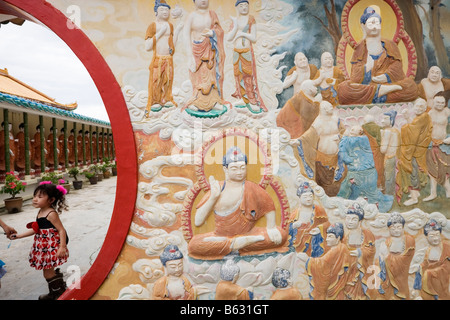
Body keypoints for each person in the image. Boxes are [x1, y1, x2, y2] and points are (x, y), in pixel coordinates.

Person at [188, 146, 288, 260]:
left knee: (281, 235)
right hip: (220, 237)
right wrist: (213, 197)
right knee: (194, 245)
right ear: (225, 169)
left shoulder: (252, 188)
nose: (240, 172)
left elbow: (269, 205)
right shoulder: (217, 188)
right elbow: (198, 221)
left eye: (242, 168)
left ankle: (236, 245)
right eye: (234, 168)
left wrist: (271, 228)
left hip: (250, 234)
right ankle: (235, 244)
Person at [337, 6, 418, 105]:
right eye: (371, 23)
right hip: (366, 86)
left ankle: (377, 93)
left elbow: (398, 69)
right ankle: (380, 91)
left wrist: (387, 76)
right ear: (363, 26)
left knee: (411, 86)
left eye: (377, 23)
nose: (374, 26)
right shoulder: (360, 48)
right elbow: (355, 77)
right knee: (343, 89)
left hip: (386, 84)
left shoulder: (390, 45)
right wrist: (367, 68)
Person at [11, 182, 69, 300]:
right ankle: (57, 290)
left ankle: (58, 292)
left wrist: (62, 247)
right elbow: (36, 229)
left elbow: (61, 230)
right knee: (47, 271)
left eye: (40, 197)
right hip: (43, 246)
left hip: (50, 246)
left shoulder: (51, 214)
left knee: (47, 272)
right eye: (34, 196)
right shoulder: (40, 212)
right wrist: (19, 236)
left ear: (51, 200)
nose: (35, 199)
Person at [293, 100, 346, 197]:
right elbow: (307, 137)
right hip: (322, 159)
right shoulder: (318, 122)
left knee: (336, 180)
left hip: (337, 158)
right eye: (330, 107)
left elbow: (344, 132)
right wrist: (299, 141)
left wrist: (339, 137)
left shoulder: (336, 120)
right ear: (325, 110)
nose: (332, 108)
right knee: (324, 182)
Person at [183, 0, 228, 112]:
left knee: (210, 76)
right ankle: (196, 102)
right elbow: (185, 35)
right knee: (199, 78)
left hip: (210, 50)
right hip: (197, 51)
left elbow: (220, 31)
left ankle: (213, 102)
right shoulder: (191, 16)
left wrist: (213, 33)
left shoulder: (212, 15)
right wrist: (189, 56)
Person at [337, 125, 393, 213]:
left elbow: (342, 150)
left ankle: (370, 208)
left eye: (353, 129)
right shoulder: (364, 139)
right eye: (351, 129)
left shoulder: (360, 140)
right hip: (366, 172)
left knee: (352, 189)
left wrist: (344, 136)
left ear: (360, 132)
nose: (351, 130)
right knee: (364, 192)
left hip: (361, 172)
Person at [145, 0, 183, 115]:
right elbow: (147, 46)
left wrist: (177, 31)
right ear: (156, 11)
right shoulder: (153, 26)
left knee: (167, 80)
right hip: (158, 58)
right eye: (162, 9)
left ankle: (166, 99)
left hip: (168, 58)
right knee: (156, 80)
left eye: (167, 9)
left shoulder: (170, 25)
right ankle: (155, 100)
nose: (165, 12)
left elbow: (172, 44)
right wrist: (160, 32)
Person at [227, 0, 266, 112]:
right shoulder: (235, 21)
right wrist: (235, 26)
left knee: (248, 76)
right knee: (238, 76)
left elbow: (253, 38)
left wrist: (242, 33)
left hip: (246, 51)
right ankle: (242, 98)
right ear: (237, 8)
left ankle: (251, 99)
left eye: (246, 6)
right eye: (241, 6)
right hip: (236, 51)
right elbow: (229, 38)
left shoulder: (250, 19)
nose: (244, 8)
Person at [396, 98, 433, 206]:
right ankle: (415, 194)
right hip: (416, 149)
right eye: (417, 106)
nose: (419, 108)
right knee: (413, 170)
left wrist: (406, 120)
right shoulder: (420, 118)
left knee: (411, 170)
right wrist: (408, 119)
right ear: (413, 107)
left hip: (415, 151)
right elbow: (413, 130)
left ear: (425, 109)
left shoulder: (423, 117)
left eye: (421, 107)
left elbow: (412, 131)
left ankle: (414, 197)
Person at [305, 222, 350, 300]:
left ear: (338, 238)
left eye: (330, 237)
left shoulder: (337, 249)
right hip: (336, 284)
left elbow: (322, 263)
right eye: (327, 236)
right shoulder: (340, 247)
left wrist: (308, 260)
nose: (326, 239)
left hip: (335, 285)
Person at [377, 213, 415, 300]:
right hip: (388, 275)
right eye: (393, 228)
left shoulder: (409, 240)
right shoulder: (387, 241)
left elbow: (407, 258)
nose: (396, 230)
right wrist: (382, 257)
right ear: (389, 229)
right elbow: (381, 260)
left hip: (401, 274)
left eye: (399, 227)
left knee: (401, 292)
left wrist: (387, 256)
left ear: (403, 228)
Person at [342, 204, 376, 300]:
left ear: (360, 221)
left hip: (362, 269)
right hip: (349, 271)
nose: (350, 222)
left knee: (361, 293)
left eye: (354, 219)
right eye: (348, 219)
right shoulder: (345, 236)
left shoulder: (367, 234)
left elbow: (371, 250)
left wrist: (360, 252)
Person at [288, 181, 330, 257]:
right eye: (305, 197)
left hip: (314, 241)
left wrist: (319, 229)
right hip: (299, 241)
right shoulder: (295, 213)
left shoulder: (319, 210)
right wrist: (294, 226)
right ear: (299, 198)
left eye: (310, 196)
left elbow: (327, 224)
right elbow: (287, 230)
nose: (308, 199)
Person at [412, 219, 450, 300]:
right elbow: (426, 264)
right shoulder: (427, 250)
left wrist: (429, 273)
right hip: (428, 283)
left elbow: (447, 266)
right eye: (432, 236)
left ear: (441, 235)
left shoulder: (446, 247)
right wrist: (420, 268)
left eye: (437, 235)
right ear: (426, 237)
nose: (435, 238)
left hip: (443, 282)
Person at [424, 92, 450, 201]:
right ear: (433, 102)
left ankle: (448, 191)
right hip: (431, 145)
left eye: (442, 102)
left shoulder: (448, 112)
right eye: (437, 102)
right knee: (432, 170)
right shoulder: (429, 113)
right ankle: (433, 193)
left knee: (445, 169)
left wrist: (447, 140)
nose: (440, 104)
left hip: (444, 145)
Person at [379, 110, 400, 195]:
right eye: (382, 118)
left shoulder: (387, 132)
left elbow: (383, 149)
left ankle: (388, 195)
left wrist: (381, 137)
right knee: (390, 176)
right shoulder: (396, 131)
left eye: (385, 119)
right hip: (394, 157)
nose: (382, 121)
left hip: (389, 157)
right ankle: (390, 193)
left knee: (388, 177)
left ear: (391, 120)